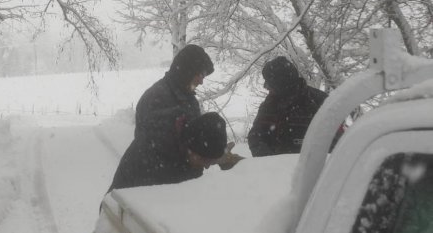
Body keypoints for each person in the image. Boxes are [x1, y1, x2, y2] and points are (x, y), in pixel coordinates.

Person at [106, 44, 242, 192]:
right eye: (201, 74)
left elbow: (195, 139)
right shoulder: (156, 97)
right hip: (153, 183)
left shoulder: (188, 98)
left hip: (177, 181)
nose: (202, 81)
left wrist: (214, 153)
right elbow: (160, 146)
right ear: (188, 70)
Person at [107, 112, 229, 192]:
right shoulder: (148, 153)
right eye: (205, 160)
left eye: (211, 161)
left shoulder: (189, 152)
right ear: (190, 147)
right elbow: (113, 205)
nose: (207, 166)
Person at [248, 55, 339, 157]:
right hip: (275, 170)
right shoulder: (269, 105)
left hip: (317, 169)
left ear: (281, 83)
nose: (265, 86)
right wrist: (269, 161)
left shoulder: (319, 101)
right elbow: (255, 137)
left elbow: (338, 140)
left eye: (269, 82)